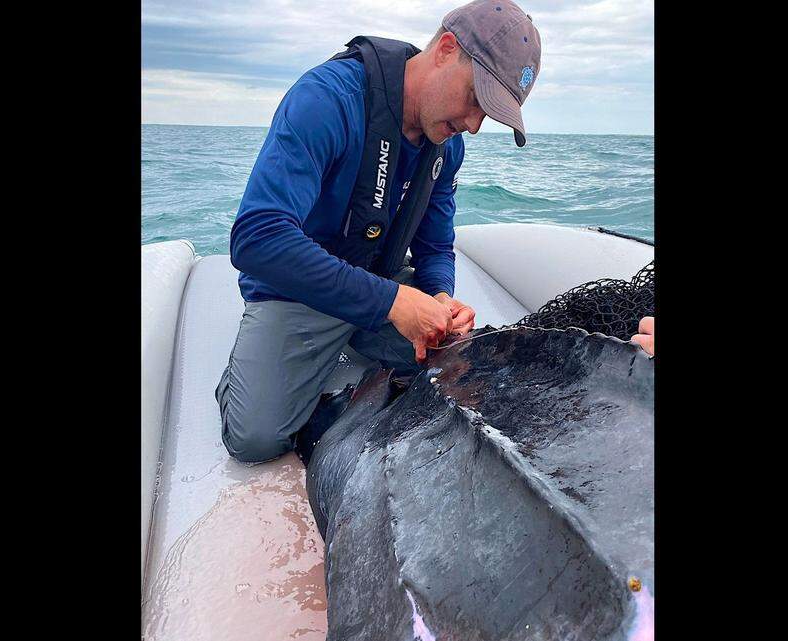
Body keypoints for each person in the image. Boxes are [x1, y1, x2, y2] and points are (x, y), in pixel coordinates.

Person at [215, 0, 543, 464]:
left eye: (488, 116)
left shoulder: (445, 146)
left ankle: (364, 340)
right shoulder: (326, 99)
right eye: (476, 99)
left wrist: (438, 297)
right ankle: (249, 367)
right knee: (255, 440)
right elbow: (257, 238)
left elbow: (434, 246)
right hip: (301, 293)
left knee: (473, 368)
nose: (472, 126)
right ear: (446, 49)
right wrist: (392, 302)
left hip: (382, 289)